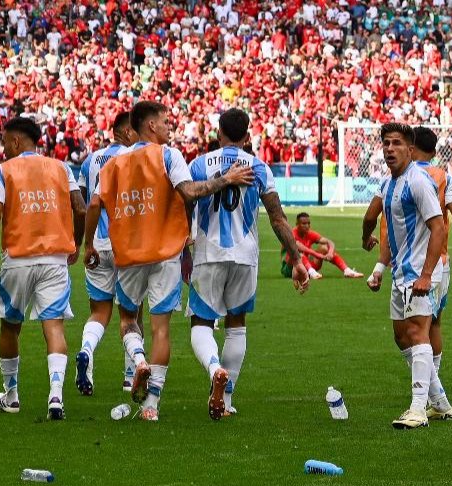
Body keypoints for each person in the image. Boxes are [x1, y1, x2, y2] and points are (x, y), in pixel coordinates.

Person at [83, 100, 253, 421]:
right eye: (165, 121)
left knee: (128, 319)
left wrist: (89, 244)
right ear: (150, 126)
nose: (169, 126)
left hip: (129, 254)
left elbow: (93, 205)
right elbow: (189, 192)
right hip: (166, 253)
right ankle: (151, 405)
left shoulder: (112, 165)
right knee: (161, 329)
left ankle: (138, 359)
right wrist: (225, 180)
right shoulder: (168, 155)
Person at [187, 108, 309, 420]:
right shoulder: (259, 167)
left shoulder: (198, 165)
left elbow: (183, 207)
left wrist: (183, 249)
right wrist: (296, 259)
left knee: (201, 323)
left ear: (218, 133)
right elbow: (279, 219)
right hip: (245, 256)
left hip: (208, 254)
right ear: (248, 135)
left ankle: (215, 369)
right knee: (236, 326)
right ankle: (226, 401)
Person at [0, 117, 87, 420]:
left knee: (11, 325)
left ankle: (11, 396)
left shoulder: (4, 170)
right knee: (53, 326)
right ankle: (55, 396)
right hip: (54, 259)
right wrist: (76, 243)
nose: (2, 147)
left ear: (15, 141)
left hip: (18, 260)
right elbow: (80, 207)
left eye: (4, 141)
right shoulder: (61, 168)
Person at [362, 123, 450, 430]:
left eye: (396, 143)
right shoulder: (389, 185)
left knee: (417, 333)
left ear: (410, 150)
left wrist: (426, 275)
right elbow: (393, 236)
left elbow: (438, 227)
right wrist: (379, 269)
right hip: (401, 273)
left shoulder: (418, 182)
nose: (389, 148)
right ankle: (440, 403)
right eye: (386, 143)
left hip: (419, 274)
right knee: (401, 337)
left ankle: (418, 409)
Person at [411, 126, 452, 420]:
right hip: (442, 260)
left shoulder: (404, 176)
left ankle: (430, 399)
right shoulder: (444, 176)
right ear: (435, 152)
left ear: (411, 147)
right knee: (433, 323)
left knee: (414, 330)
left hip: (414, 264)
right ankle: (433, 395)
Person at [74, 110, 136, 396]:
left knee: (99, 312)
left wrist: (83, 243)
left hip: (97, 243)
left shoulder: (89, 161)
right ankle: (129, 376)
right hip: (126, 244)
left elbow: (85, 206)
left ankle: (86, 350)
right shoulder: (133, 158)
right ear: (125, 132)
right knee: (130, 314)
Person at [284, 212, 362, 280]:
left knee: (324, 247)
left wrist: (330, 253)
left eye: (308, 223)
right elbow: (301, 248)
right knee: (298, 254)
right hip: (291, 268)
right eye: (304, 224)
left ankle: (347, 270)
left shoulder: (310, 233)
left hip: (306, 265)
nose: (307, 226)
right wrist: (319, 256)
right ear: (297, 224)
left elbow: (329, 242)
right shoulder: (291, 234)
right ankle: (311, 273)